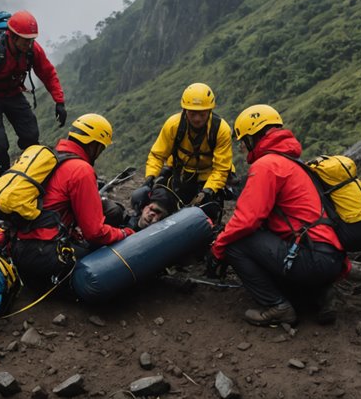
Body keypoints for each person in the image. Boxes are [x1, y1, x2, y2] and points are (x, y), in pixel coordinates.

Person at [210, 104, 348, 327]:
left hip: (312, 257)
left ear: (254, 137)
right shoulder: (294, 162)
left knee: (235, 244)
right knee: (262, 236)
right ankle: (317, 292)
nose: (242, 149)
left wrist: (218, 246)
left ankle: (278, 306)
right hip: (330, 256)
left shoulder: (266, 165)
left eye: (243, 141)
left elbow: (247, 220)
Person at [9, 114, 134, 287]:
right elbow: (95, 233)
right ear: (93, 145)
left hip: (18, 247)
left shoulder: (51, 158)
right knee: (109, 264)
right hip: (44, 256)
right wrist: (124, 234)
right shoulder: (81, 170)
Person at [0, 10, 66, 173]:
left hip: (13, 92)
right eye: (26, 40)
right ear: (12, 36)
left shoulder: (32, 49)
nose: (30, 44)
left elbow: (48, 73)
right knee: (0, 144)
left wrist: (59, 101)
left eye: (32, 40)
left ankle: (30, 172)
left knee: (31, 136)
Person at [139, 82, 234, 220]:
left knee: (209, 213)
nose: (197, 118)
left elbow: (221, 168)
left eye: (202, 114)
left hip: (208, 177)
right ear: (185, 110)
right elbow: (157, 155)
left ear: (210, 111)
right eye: (193, 113)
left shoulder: (220, 130)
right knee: (151, 202)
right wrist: (150, 177)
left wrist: (208, 190)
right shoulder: (173, 125)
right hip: (180, 173)